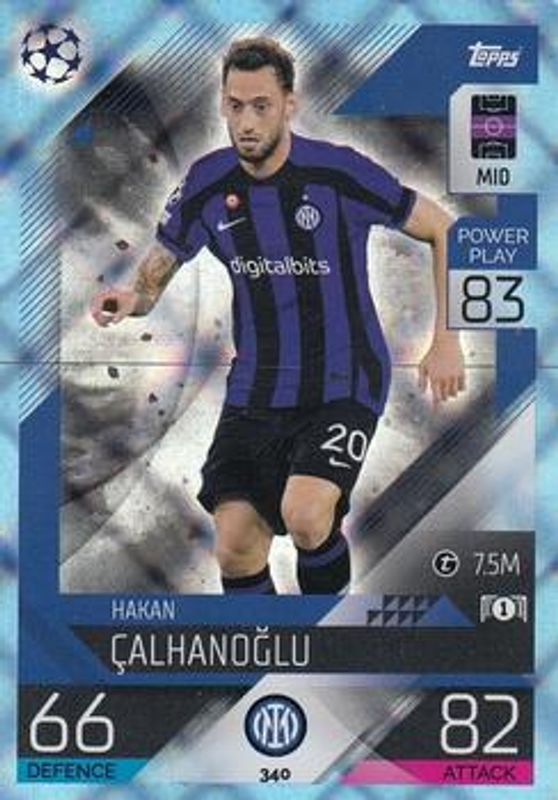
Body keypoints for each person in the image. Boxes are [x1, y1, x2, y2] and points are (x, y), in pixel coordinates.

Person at [91, 36, 465, 595]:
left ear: (289, 105)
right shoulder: (206, 184)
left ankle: (323, 626)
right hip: (258, 388)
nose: (246, 121)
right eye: (235, 105)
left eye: (261, 105)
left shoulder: (337, 173)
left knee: (307, 515)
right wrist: (131, 300)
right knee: (235, 546)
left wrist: (447, 339)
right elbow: (158, 269)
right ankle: (268, 640)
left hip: (344, 378)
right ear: (223, 105)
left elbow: (442, 228)